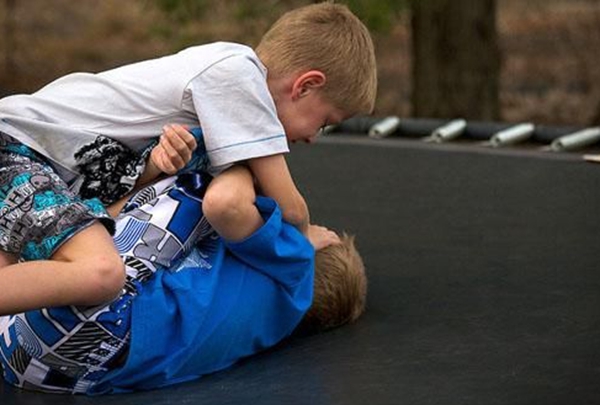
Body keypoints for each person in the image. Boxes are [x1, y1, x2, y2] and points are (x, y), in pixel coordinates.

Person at [0, 2, 377, 316]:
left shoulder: (213, 124)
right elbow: (289, 205)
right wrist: (303, 238)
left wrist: (155, 168)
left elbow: (119, 197)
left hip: (40, 167)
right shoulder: (237, 73)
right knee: (100, 272)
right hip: (17, 146)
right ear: (306, 85)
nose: (313, 138)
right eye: (325, 122)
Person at [0, 165, 367, 395]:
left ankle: (52, 223)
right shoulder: (271, 322)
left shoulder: (296, 268)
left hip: (108, 320)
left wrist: (242, 158)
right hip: (38, 367)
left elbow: (224, 202)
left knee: (195, 183)